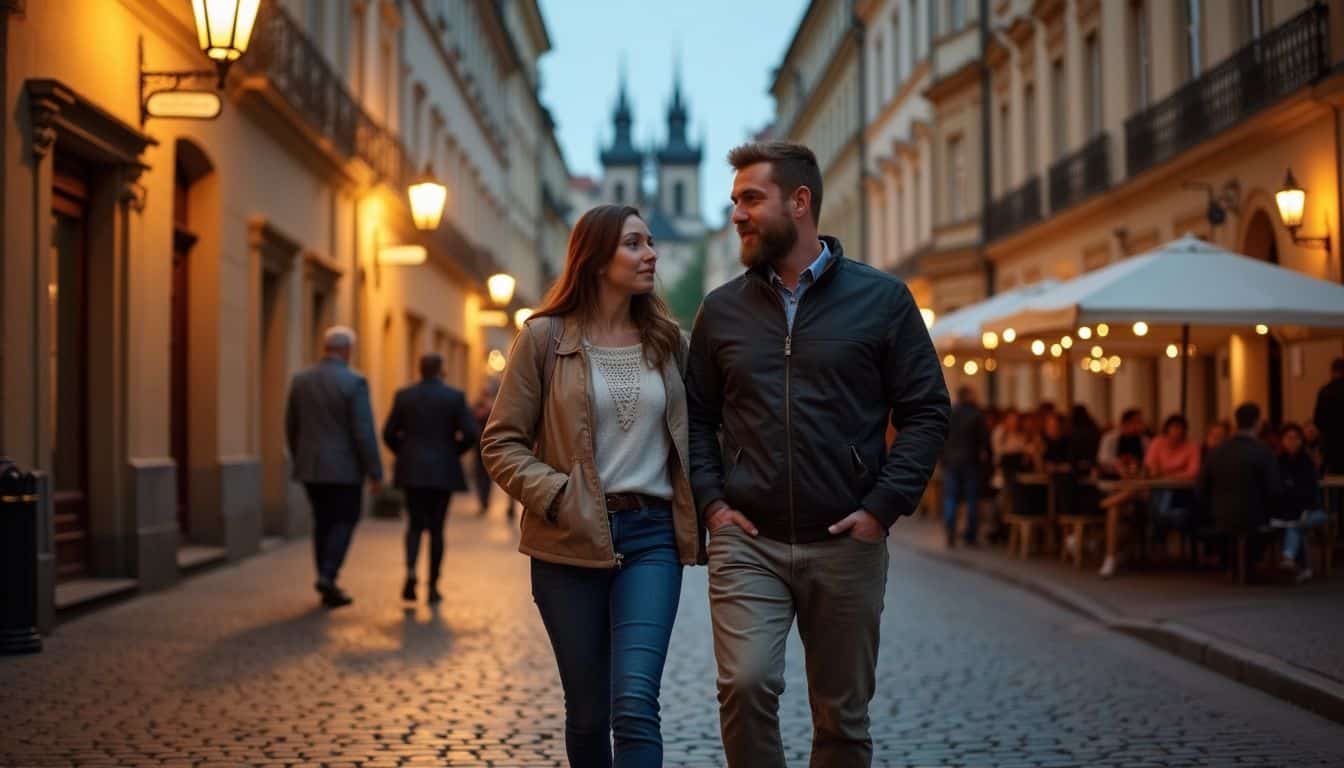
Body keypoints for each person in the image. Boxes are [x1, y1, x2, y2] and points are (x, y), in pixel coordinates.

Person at [687, 141, 949, 767]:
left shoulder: (883, 300)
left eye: (752, 199)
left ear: (799, 202)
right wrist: (714, 505)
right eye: (734, 201)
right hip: (748, 541)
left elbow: (927, 410)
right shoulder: (721, 310)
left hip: (845, 542)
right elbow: (695, 418)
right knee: (745, 684)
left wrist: (881, 508)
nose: (737, 214)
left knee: (842, 717)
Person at [480, 204, 699, 767]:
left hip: (652, 537)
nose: (651, 254)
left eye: (651, 242)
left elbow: (706, 433)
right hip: (567, 541)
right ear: (597, 258)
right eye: (634, 244)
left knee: (635, 703)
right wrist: (558, 496)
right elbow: (500, 443)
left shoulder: (670, 343)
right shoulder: (543, 338)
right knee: (586, 712)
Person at [284, 326, 382, 608]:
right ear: (347, 350)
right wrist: (374, 471)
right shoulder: (354, 382)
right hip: (344, 469)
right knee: (345, 519)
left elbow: (291, 425)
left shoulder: (301, 380)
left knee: (322, 522)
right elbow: (363, 431)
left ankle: (326, 581)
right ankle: (328, 575)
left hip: (311, 467)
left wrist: (299, 455)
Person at [382, 353, 480, 604]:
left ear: (420, 369)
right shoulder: (454, 397)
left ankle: (410, 572)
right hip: (442, 471)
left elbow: (388, 432)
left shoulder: (405, 396)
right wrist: (452, 452)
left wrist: (405, 452)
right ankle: (433, 586)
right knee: (437, 529)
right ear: (441, 370)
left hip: (412, 470)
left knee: (414, 525)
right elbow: (471, 434)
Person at [1199, 403, 1281, 574]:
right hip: (1255, 516)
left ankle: (1232, 561)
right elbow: (1273, 489)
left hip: (1221, 515)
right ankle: (1252, 561)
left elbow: (1202, 488)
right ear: (1257, 423)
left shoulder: (1217, 452)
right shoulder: (1263, 451)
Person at [1274, 423, 1328, 581]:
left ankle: (1290, 558)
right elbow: (1278, 490)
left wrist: (1303, 508)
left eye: (1296, 438)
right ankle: (1303, 568)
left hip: (1313, 511)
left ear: (1301, 441)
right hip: (1289, 512)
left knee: (1296, 523)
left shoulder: (1307, 462)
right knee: (1296, 523)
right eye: (1288, 438)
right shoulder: (1278, 462)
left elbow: (1310, 494)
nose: (1292, 442)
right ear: (1282, 440)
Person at [941, 386, 990, 547]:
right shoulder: (976, 415)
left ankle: (950, 529)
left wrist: (943, 458)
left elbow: (941, 437)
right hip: (971, 462)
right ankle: (970, 535)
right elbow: (985, 441)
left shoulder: (950, 414)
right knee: (971, 499)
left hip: (951, 462)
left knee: (951, 497)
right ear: (968, 396)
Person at [470, 386, 515, 519]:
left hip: (495, 446)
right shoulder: (477, 406)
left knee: (492, 475)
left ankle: (509, 506)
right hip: (479, 447)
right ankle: (484, 502)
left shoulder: (497, 407)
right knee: (479, 475)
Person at [1097, 408, 1149, 478]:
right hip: (1111, 477)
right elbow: (1103, 459)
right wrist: (1118, 464)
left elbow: (1147, 461)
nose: (1142, 425)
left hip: (1137, 477)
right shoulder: (1110, 438)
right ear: (1126, 423)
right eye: (1138, 422)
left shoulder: (1144, 440)